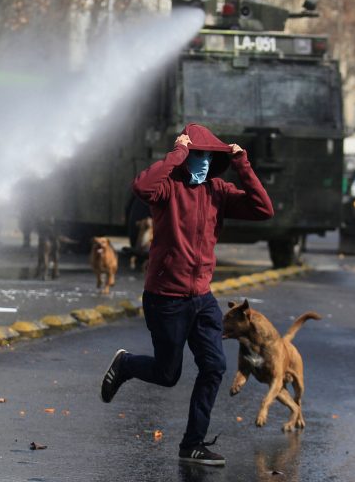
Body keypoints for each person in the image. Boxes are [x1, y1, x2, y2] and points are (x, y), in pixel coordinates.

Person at [100, 123, 274, 466]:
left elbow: (263, 209)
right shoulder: (168, 189)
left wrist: (243, 165)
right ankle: (126, 364)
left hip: (202, 298)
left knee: (214, 367)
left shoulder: (218, 191)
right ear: (186, 157)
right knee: (168, 374)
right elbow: (141, 186)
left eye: (209, 156)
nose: (204, 162)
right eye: (198, 155)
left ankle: (192, 445)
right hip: (165, 297)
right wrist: (178, 153)